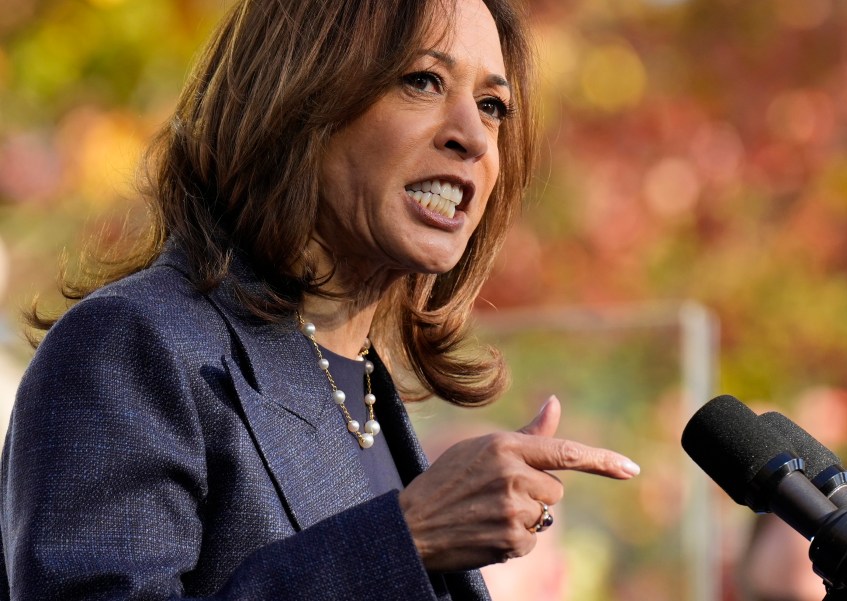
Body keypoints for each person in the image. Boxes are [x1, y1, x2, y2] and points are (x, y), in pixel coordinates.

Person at [0, 0, 641, 599]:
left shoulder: (362, 386)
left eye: (494, 106)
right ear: (298, 98)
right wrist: (406, 539)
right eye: (422, 80)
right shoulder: (130, 348)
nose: (472, 136)